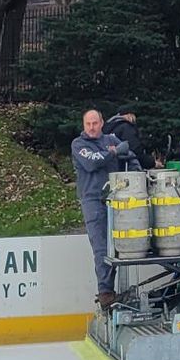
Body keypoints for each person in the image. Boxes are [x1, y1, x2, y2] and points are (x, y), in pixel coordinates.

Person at [71, 108, 139, 308]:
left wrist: (137, 174)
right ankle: (106, 294)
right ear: (84, 126)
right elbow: (92, 163)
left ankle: (116, 291)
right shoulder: (79, 144)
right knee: (102, 249)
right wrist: (114, 152)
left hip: (117, 200)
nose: (91, 127)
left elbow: (130, 155)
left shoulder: (111, 140)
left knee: (120, 246)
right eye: (88, 124)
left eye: (95, 123)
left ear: (101, 123)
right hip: (93, 202)